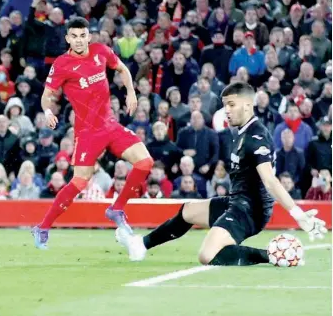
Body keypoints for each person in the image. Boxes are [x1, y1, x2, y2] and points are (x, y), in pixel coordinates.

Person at [117, 82, 327, 264]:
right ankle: (141, 245)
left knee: (207, 255)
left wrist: (297, 214)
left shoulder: (256, 137)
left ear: (247, 105)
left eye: (232, 105)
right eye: (225, 104)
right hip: (237, 202)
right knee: (188, 211)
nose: (226, 110)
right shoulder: (241, 132)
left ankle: (275, 256)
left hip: (249, 210)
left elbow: (270, 181)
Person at [31, 17, 153, 249]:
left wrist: (131, 92)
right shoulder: (62, 64)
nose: (79, 40)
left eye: (82, 35)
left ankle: (116, 209)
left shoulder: (101, 51)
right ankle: (43, 226)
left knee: (145, 163)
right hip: (87, 133)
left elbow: (123, 68)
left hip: (111, 125)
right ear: (68, 38)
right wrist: (47, 111)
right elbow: (47, 94)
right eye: (74, 36)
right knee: (79, 182)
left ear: (89, 36)